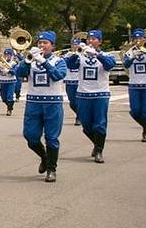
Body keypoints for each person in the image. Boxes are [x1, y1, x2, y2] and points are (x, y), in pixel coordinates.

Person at [15, 32, 68, 182]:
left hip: (52, 103)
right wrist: (26, 61)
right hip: (33, 103)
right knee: (30, 136)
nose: (42, 45)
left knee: (51, 138)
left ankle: (51, 169)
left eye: (45, 43)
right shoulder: (31, 60)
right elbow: (18, 73)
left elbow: (58, 75)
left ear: (52, 46)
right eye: (40, 43)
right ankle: (44, 157)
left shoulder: (59, 61)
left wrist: (44, 62)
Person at [65, 30, 116, 163]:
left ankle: (99, 150)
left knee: (99, 124)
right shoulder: (81, 54)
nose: (90, 41)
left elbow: (110, 65)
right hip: (83, 94)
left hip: (101, 94)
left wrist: (97, 54)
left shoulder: (106, 55)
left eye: (94, 39)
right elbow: (69, 65)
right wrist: (77, 53)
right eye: (89, 39)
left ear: (100, 42)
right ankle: (97, 143)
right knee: (86, 125)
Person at [123, 28, 146, 142]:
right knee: (135, 110)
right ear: (132, 40)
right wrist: (133, 56)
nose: (138, 41)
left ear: (144, 39)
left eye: (140, 38)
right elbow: (126, 64)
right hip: (134, 84)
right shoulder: (129, 52)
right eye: (135, 39)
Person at [63, 38, 82, 126]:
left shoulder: (83, 54)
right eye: (73, 44)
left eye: (76, 44)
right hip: (70, 81)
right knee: (72, 102)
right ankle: (81, 115)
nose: (75, 46)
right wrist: (74, 55)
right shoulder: (68, 55)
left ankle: (79, 117)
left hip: (79, 81)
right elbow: (67, 63)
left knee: (78, 101)